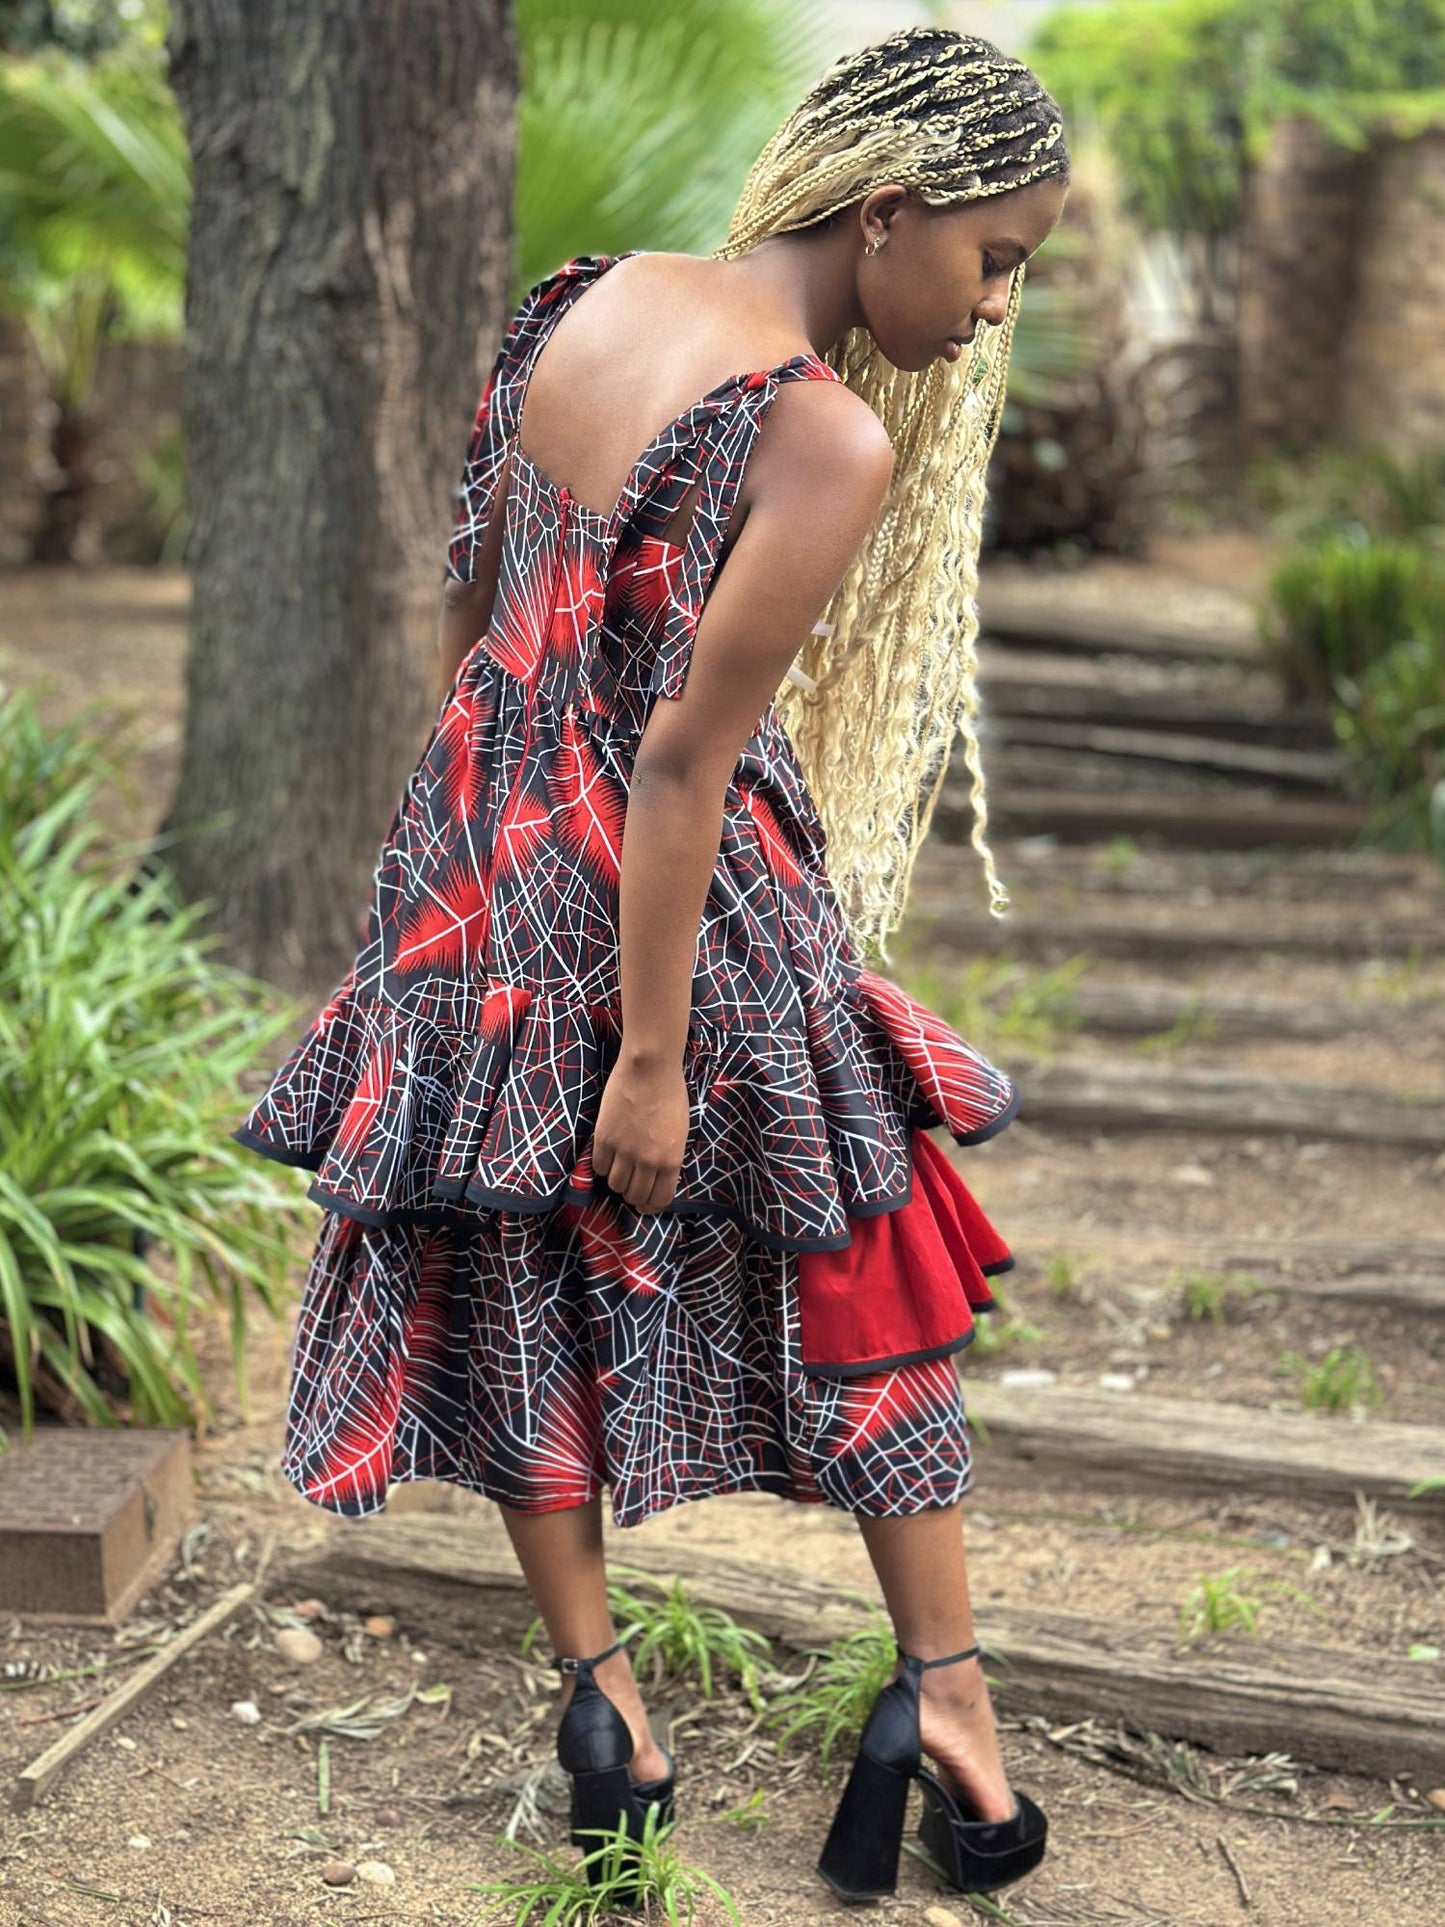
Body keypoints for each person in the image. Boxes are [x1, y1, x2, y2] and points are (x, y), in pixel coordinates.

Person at [231, 22, 1068, 1906]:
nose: (995, 307)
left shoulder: (580, 305)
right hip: (677, 889)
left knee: (518, 1264)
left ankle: (604, 1704)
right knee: (859, 1238)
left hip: (473, 866)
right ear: (888, 210)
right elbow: (684, 756)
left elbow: (469, 604)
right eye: (994, 257)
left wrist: (486, 863)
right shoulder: (821, 429)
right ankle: (945, 1704)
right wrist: (653, 1056)